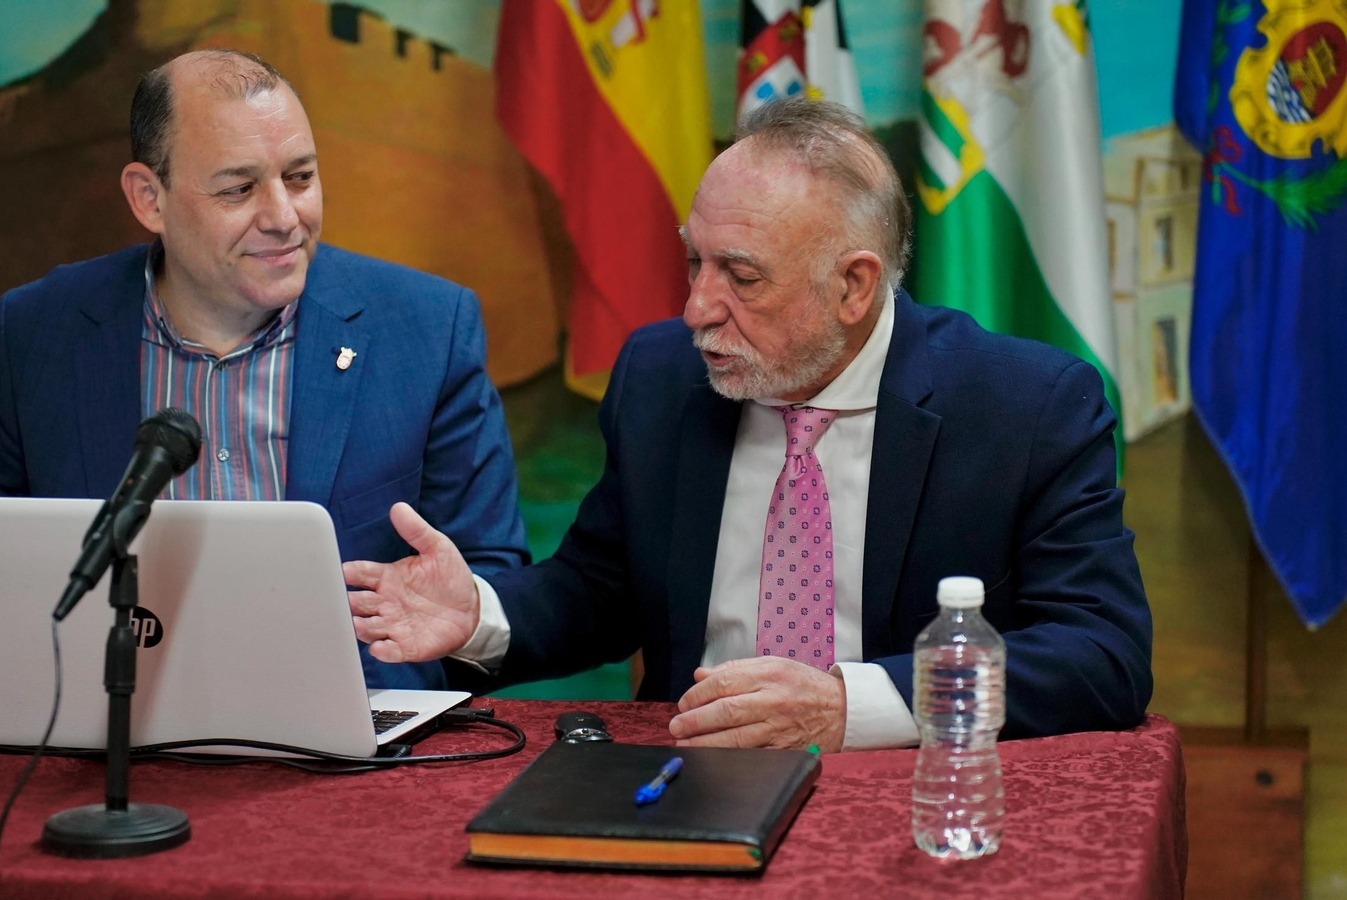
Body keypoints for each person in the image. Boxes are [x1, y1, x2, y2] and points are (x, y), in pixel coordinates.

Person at [343, 98, 1152, 748]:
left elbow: (1102, 654)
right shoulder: (663, 377)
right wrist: (479, 613)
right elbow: (600, 590)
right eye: (696, 260)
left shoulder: (1026, 406)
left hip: (911, 791)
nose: (697, 308)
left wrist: (850, 705)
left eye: (743, 277)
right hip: (683, 787)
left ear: (853, 288)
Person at [0, 49, 529, 690]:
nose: (283, 218)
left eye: (300, 177)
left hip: (358, 754)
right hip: (108, 730)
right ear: (148, 198)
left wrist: (456, 620)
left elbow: (492, 583)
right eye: (238, 189)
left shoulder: (428, 329)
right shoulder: (39, 330)